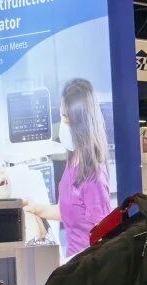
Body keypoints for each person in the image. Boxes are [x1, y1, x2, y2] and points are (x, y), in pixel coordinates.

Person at [24, 78, 112, 257]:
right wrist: (35, 208)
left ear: (81, 124)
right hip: (73, 261)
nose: (62, 124)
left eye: (66, 118)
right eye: (62, 115)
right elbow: (66, 211)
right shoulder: (72, 161)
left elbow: (104, 241)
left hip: (87, 266)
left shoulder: (93, 177)